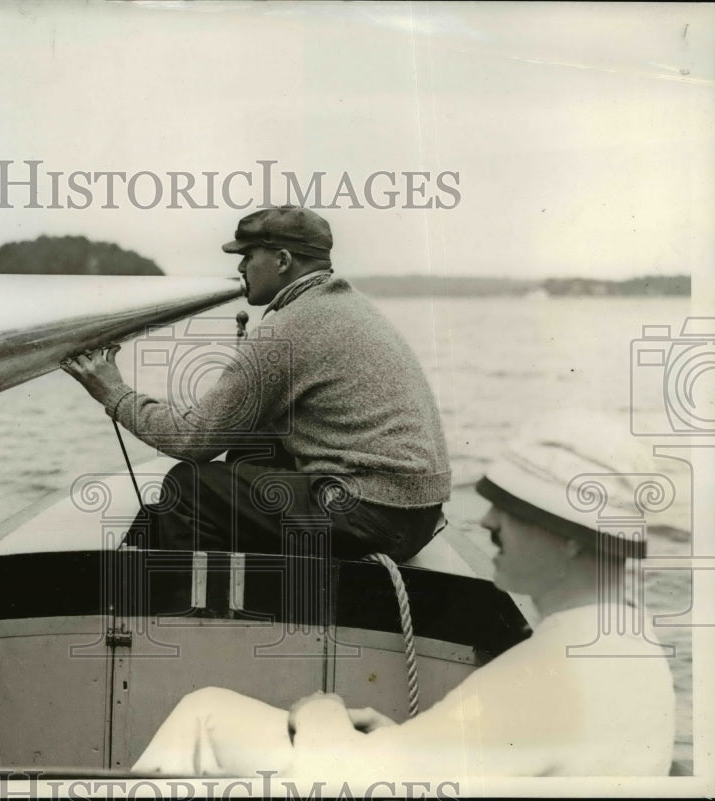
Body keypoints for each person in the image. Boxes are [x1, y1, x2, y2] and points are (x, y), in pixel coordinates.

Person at [129, 413, 677, 779]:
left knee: (203, 713)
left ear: (573, 540)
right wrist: (399, 739)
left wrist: (323, 712)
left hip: (361, 778)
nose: (486, 520)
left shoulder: (550, 672)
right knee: (209, 711)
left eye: (512, 507)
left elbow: (339, 782)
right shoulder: (629, 647)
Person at [62, 206, 450, 559]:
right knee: (250, 449)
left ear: (282, 260)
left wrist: (113, 392)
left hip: (372, 517)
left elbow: (191, 442)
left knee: (188, 487)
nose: (241, 268)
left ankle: (191, 612)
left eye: (248, 256)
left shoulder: (290, 326)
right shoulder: (344, 305)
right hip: (416, 516)